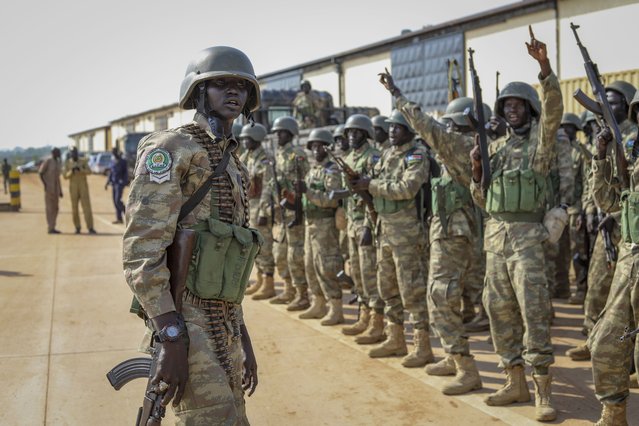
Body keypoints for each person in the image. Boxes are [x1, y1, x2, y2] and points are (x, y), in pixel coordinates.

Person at [122, 46, 260, 424]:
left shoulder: (231, 158)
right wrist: (169, 335)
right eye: (220, 84)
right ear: (198, 92)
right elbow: (142, 250)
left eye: (240, 87)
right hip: (186, 321)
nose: (233, 93)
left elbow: (229, 256)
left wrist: (242, 335)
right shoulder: (171, 148)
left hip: (224, 322)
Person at [468, 30, 562, 422]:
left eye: (518, 105)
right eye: (506, 105)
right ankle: (514, 379)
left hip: (527, 242)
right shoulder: (495, 149)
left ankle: (542, 391)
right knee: (499, 311)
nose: (511, 110)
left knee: (534, 312)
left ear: (529, 110)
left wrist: (544, 67)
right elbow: (482, 200)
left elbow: (554, 110)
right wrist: (476, 170)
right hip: (496, 241)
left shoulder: (541, 143)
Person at [378, 83, 484, 394]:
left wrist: (399, 95)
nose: (444, 129)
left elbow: (424, 124)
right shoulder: (463, 147)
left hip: (454, 233)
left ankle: (466, 367)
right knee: (438, 295)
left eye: (449, 123)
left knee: (441, 295)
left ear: (460, 125)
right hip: (446, 231)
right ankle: (452, 356)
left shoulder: (461, 145)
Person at [351, 110, 432, 368]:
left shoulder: (416, 155)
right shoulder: (386, 154)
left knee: (412, 291)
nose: (392, 131)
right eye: (391, 127)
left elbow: (407, 188)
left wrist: (369, 186)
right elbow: (371, 188)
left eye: (398, 127)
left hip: (406, 234)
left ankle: (423, 345)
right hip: (384, 230)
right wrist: (361, 186)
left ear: (409, 130)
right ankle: (395, 338)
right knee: (387, 288)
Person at [587, 89, 639, 425]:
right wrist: (602, 156)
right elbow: (609, 201)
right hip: (630, 257)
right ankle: (614, 411)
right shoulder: (632, 156)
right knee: (607, 340)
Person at [337, 114, 385, 343]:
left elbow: (372, 196)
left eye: (357, 132)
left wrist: (367, 225)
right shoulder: (349, 157)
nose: (352, 136)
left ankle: (377, 323)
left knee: (370, 274)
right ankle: (364, 317)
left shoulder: (373, 157)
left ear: (366, 133)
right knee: (357, 273)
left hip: (366, 223)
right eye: (350, 132)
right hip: (351, 224)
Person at [298, 128, 345, 325]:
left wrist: (307, 192)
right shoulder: (313, 170)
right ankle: (318, 302)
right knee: (310, 265)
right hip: (311, 224)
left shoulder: (331, 170)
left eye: (319, 146)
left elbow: (332, 200)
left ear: (327, 148)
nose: (315, 150)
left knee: (326, 266)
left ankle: (335, 306)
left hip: (325, 224)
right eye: (313, 146)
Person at [268, 116, 311, 310]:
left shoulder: (297, 154)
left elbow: (305, 182)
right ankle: (289, 289)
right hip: (283, 211)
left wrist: (298, 203)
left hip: (295, 211)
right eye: (277, 132)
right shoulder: (279, 154)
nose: (278, 136)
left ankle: (302, 294)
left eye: (282, 132)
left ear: (291, 134)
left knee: (295, 255)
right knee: (281, 253)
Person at [239, 123, 277, 300]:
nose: (244, 141)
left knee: (264, 246)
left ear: (256, 138)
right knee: (253, 246)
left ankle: (268, 283)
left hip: (260, 207)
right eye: (243, 138)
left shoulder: (265, 159)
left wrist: (263, 212)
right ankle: (260, 280)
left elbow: (268, 187)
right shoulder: (246, 156)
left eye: (247, 138)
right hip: (248, 207)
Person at [63, 147, 96, 234]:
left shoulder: (83, 161)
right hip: (73, 187)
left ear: (77, 153)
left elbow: (89, 171)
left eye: (75, 153)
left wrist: (81, 169)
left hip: (83, 187)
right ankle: (77, 227)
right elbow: (65, 176)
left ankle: (90, 227)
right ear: (70, 154)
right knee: (74, 208)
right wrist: (71, 171)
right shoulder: (68, 162)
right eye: (72, 153)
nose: (74, 154)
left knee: (87, 207)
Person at [39, 148, 63, 234]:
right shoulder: (48, 161)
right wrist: (45, 184)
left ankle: (53, 226)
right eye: (58, 152)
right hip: (49, 188)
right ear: (54, 153)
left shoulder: (58, 162)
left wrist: (60, 191)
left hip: (56, 189)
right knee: (49, 209)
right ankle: (50, 228)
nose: (60, 154)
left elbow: (58, 178)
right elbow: (41, 173)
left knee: (56, 208)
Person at [106, 148, 128, 224]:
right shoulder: (112, 161)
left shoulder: (123, 161)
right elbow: (110, 172)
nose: (114, 154)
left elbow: (126, 173)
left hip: (120, 184)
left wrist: (124, 181)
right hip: (114, 183)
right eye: (113, 153)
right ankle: (119, 219)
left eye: (115, 152)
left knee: (117, 200)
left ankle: (127, 214)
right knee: (115, 202)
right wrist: (107, 182)